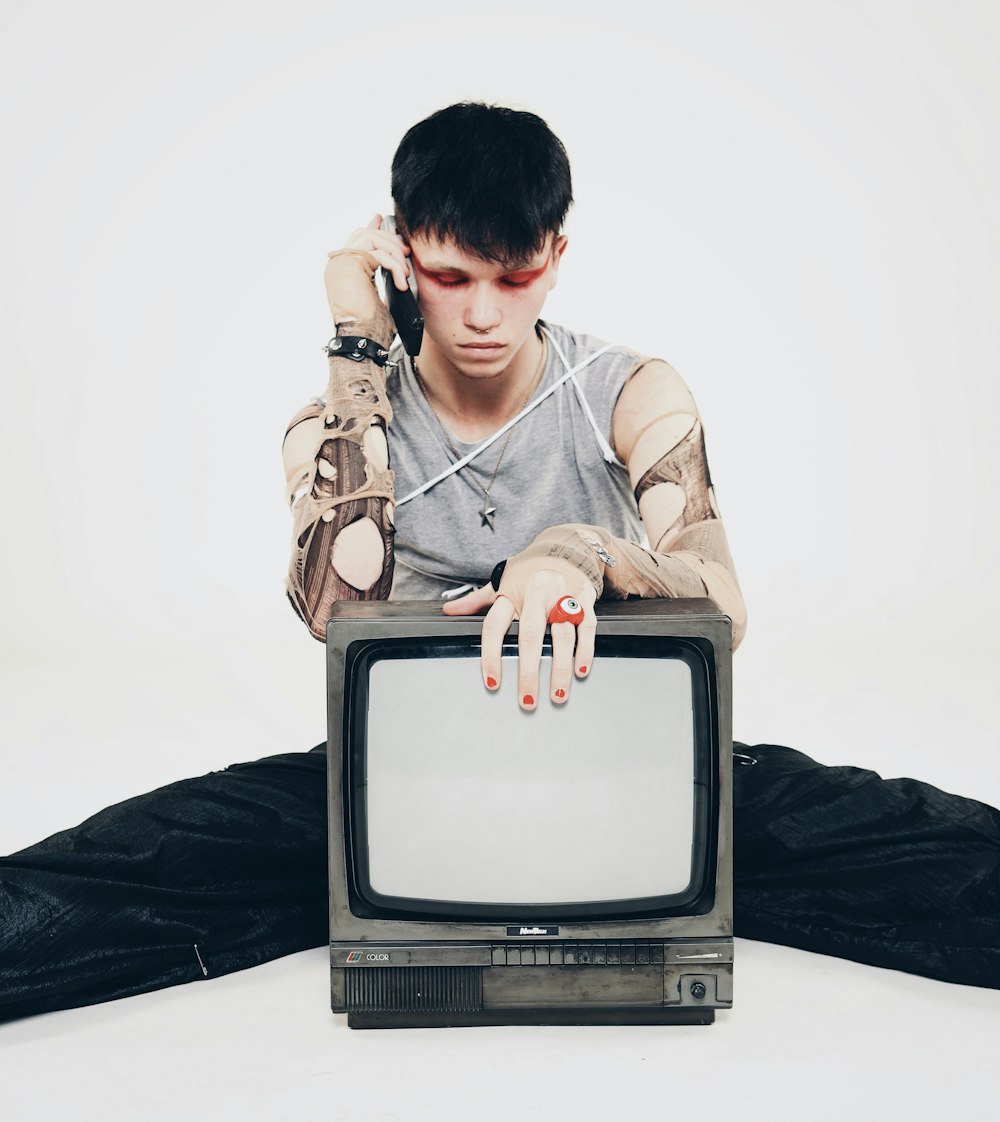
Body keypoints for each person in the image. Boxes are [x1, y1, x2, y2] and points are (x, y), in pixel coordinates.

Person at [1, 104, 997, 1022]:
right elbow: (332, 608)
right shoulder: (340, 423)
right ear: (398, 250)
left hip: (630, 768)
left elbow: (724, 605)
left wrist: (574, 552)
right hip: (406, 785)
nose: (481, 314)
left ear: (557, 255)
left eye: (514, 277)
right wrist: (356, 340)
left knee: (921, 844)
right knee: (129, 865)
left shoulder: (630, 391)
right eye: (449, 277)